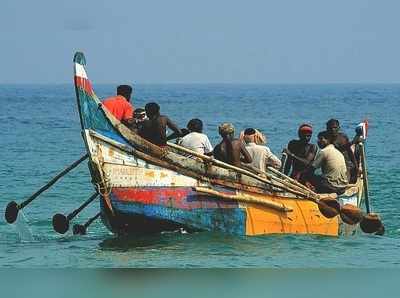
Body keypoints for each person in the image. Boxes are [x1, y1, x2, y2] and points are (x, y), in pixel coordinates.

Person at [326, 119, 359, 183]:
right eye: (330, 128)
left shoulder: (343, 136)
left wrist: (356, 166)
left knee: (349, 174)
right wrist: (352, 142)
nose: (333, 129)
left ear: (339, 128)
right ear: (327, 129)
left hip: (346, 163)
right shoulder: (325, 139)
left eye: (335, 127)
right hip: (332, 165)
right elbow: (336, 150)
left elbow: (349, 151)